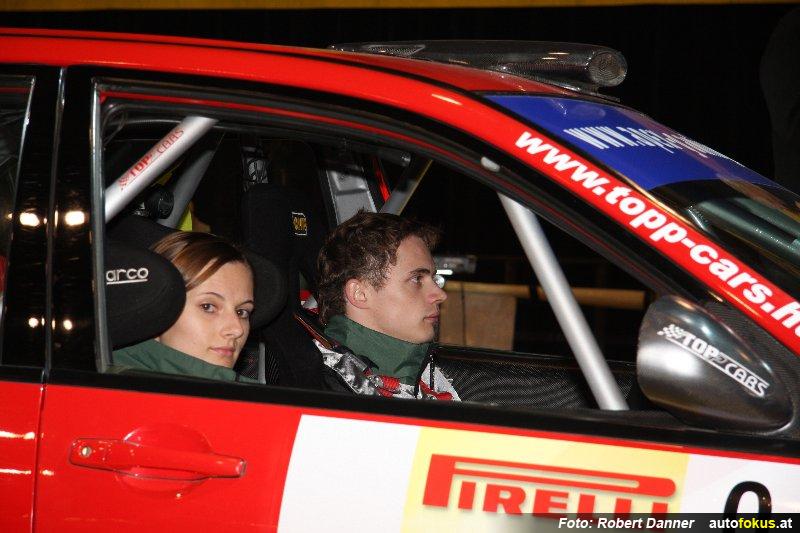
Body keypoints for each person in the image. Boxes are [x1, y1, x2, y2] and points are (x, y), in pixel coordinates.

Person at [315, 212, 459, 400]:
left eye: (433, 278)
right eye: (417, 279)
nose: (440, 294)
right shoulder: (325, 393)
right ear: (360, 293)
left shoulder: (422, 374)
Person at [113, 231, 258, 383]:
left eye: (242, 312)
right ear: (154, 310)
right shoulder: (117, 389)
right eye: (208, 307)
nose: (237, 329)